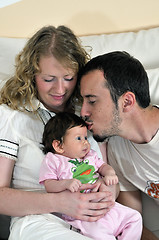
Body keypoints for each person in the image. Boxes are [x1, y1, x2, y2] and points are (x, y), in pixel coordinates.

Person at [0, 26, 117, 240]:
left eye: (68, 78)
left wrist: (107, 194)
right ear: (31, 75)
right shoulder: (11, 116)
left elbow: (109, 175)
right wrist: (59, 202)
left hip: (97, 221)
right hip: (40, 221)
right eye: (49, 79)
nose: (60, 89)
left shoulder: (88, 110)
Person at [79, 51, 159, 240]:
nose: (83, 111)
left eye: (92, 101)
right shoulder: (117, 150)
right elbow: (131, 224)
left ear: (127, 101)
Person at [39, 111, 142, 240]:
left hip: (107, 206)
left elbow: (103, 167)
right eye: (78, 138)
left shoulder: (90, 155)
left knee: (134, 217)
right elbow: (49, 185)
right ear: (58, 146)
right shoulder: (53, 160)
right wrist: (65, 183)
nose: (85, 143)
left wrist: (109, 173)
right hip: (83, 215)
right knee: (100, 234)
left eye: (86, 138)